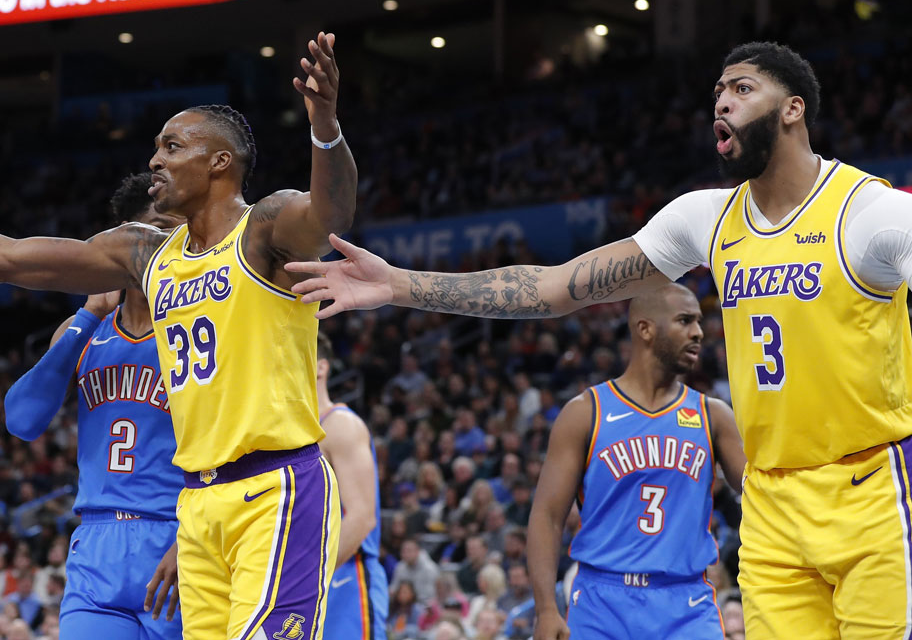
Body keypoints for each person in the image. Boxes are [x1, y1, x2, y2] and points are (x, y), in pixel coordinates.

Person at [287, 41, 912, 637]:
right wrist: (398, 284)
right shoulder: (708, 217)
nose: (721, 102)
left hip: (868, 488)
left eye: (742, 89)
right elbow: (556, 288)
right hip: (771, 504)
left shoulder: (870, 214)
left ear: (793, 108)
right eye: (717, 91)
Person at [0, 31, 356, 640]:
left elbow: (331, 217)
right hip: (196, 505)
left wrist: (324, 127)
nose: (154, 160)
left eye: (172, 146)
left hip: (274, 486)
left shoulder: (263, 229)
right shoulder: (146, 253)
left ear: (219, 162)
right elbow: (3, 258)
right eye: (156, 147)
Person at [3, 173, 184, 638]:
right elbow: (22, 421)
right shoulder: (86, 330)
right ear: (122, 242)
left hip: (177, 537)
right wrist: (87, 316)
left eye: (179, 231)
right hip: (96, 543)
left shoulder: (201, 331)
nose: (170, 243)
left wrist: (193, 540)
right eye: (158, 229)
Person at [526, 284, 746, 638]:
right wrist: (546, 609)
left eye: (699, 323)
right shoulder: (586, 413)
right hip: (601, 600)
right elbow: (547, 517)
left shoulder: (713, 415)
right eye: (685, 321)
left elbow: (759, 490)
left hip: (686, 602)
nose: (698, 332)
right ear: (645, 329)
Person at [315, 333, 388, 639]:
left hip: (345, 574)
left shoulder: (340, 424)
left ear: (321, 367)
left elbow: (361, 518)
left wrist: (310, 576)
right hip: (305, 574)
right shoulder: (283, 432)